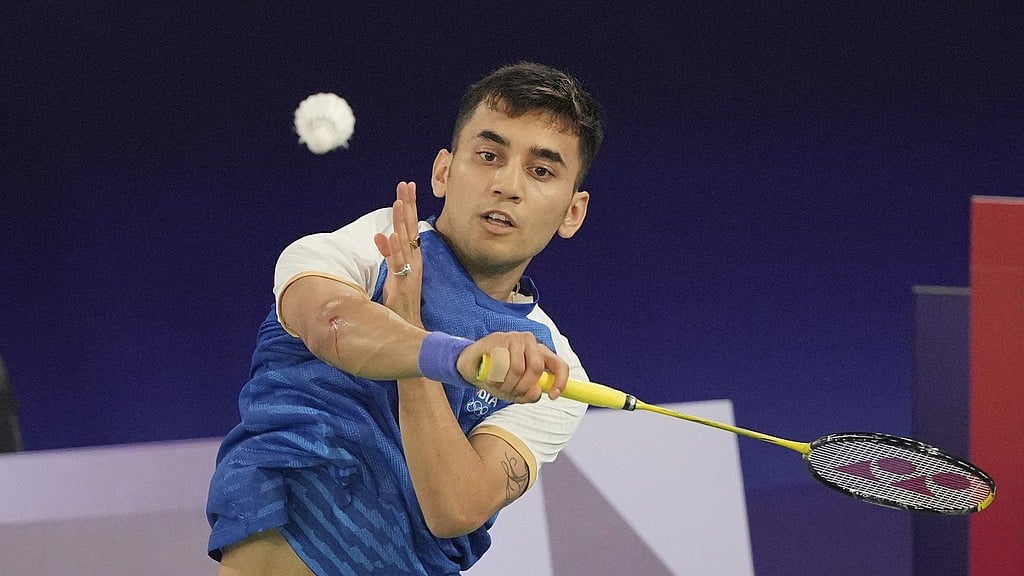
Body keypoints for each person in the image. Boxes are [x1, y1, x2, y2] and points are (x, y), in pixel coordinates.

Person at [207, 62, 606, 576]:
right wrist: (454, 356)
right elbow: (332, 325)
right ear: (443, 171)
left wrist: (414, 335)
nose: (508, 185)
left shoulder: (553, 369)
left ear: (572, 212)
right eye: (488, 156)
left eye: (541, 171)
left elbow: (455, 509)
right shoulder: (363, 251)